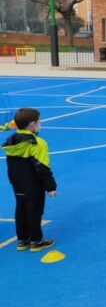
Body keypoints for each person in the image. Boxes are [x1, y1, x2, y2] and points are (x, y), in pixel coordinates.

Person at [2, 108, 57, 252]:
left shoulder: (11, 140)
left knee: (21, 209)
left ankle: (22, 240)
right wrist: (50, 186)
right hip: (33, 183)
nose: (40, 123)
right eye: (39, 121)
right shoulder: (38, 143)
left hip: (16, 181)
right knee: (34, 211)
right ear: (32, 124)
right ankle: (37, 241)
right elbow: (42, 167)